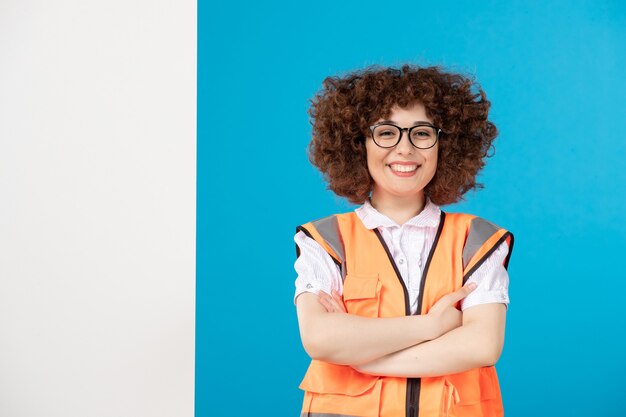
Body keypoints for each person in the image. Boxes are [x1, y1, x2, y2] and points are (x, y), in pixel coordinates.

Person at [293, 64, 514, 417]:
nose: (405, 148)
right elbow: (320, 338)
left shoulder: (478, 240)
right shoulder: (325, 240)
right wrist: (431, 327)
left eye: (422, 133)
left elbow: (482, 345)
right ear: (357, 142)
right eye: (386, 132)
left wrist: (365, 359)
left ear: (446, 144)